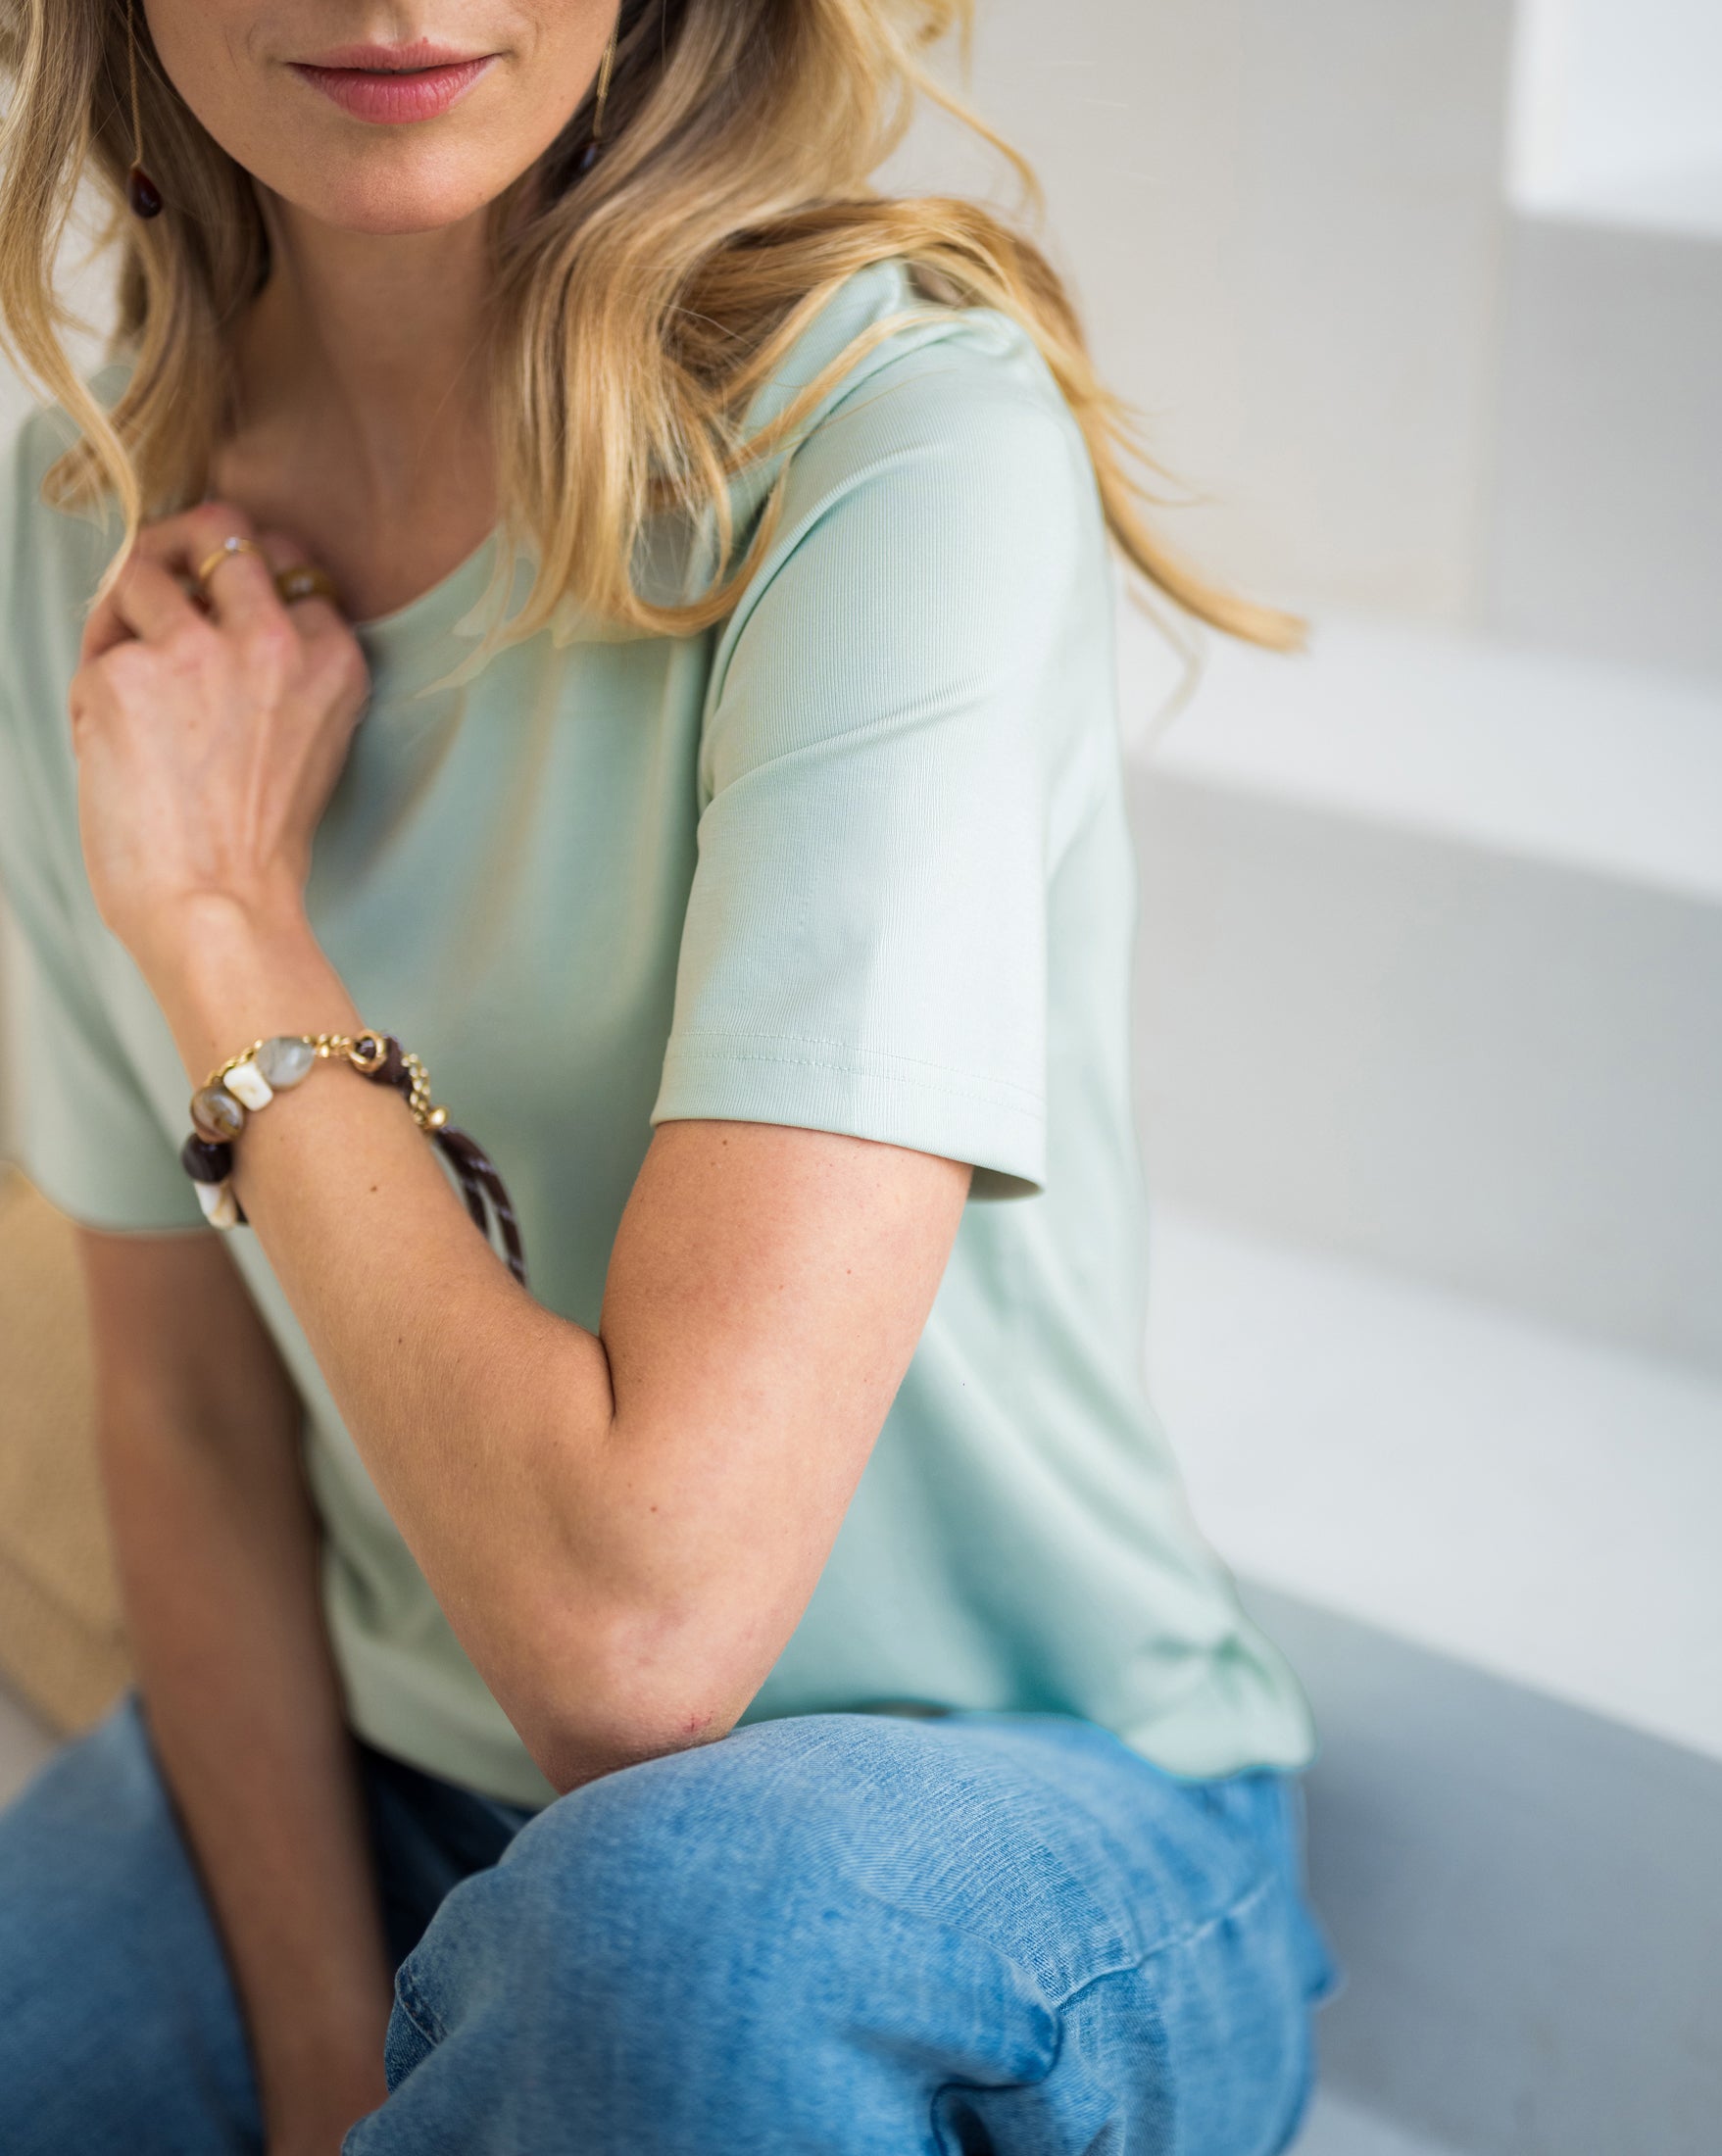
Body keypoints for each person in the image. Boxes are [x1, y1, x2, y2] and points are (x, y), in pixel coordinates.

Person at [0, 2, 1334, 2148]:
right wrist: (343, 2079)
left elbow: (639, 1638)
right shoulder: (85, 531)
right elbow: (184, 1406)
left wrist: (219, 919)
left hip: (1000, 1811)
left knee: (682, 1935)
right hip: (403, 1777)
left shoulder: (899, 434)